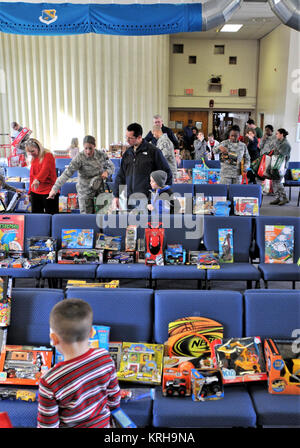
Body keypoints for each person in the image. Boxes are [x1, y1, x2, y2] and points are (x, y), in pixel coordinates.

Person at [37, 298, 121, 428]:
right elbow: (114, 398)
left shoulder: (50, 381)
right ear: (93, 332)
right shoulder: (105, 358)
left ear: (53, 339)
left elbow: (47, 426)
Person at [48, 135, 114, 214]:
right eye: (86, 148)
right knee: (86, 218)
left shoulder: (101, 155)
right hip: (85, 191)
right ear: (83, 147)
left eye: (90, 148)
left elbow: (111, 166)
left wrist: (107, 172)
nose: (88, 151)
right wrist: (54, 189)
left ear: (95, 146)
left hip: (99, 189)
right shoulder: (79, 158)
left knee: (102, 216)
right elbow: (66, 173)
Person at [112, 123, 172, 210]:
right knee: (131, 223)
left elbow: (167, 173)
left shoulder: (153, 152)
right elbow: (121, 176)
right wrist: (116, 195)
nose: (127, 140)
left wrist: (162, 195)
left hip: (148, 201)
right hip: (130, 200)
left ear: (139, 137)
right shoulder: (127, 154)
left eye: (130, 138)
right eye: (126, 137)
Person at [25, 138, 59, 214]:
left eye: (32, 151)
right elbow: (32, 175)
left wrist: (38, 179)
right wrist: (30, 191)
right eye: (29, 152)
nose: (31, 153)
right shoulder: (33, 158)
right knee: (36, 216)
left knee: (51, 215)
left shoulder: (48, 155)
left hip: (49, 191)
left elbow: (45, 170)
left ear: (38, 148)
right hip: (36, 191)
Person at [269, 128, 291, 206]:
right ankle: (277, 197)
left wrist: (275, 145)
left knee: (278, 181)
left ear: (282, 134)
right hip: (275, 164)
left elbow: (281, 155)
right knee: (274, 181)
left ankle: (284, 198)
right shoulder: (278, 141)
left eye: (277, 133)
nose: (276, 135)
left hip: (281, 166)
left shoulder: (285, 144)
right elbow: (272, 149)